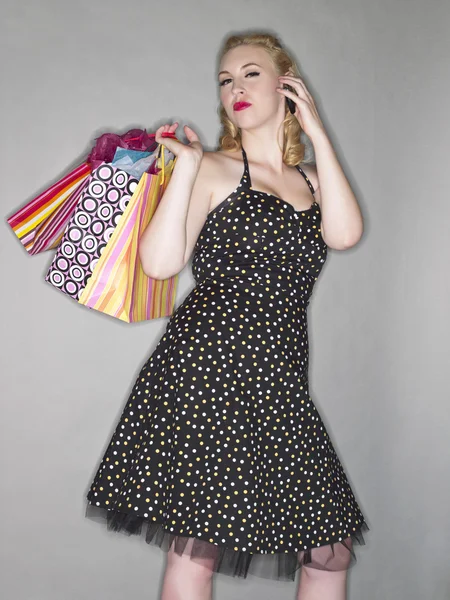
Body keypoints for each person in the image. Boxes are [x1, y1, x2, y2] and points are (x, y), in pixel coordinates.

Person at [85, 31, 369, 600]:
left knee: (328, 554)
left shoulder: (312, 180)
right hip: (205, 376)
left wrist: (317, 133)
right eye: (225, 79)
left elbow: (344, 233)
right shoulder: (214, 168)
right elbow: (161, 264)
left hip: (279, 384)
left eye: (251, 73)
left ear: (286, 86)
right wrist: (186, 167)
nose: (235, 86)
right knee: (197, 555)